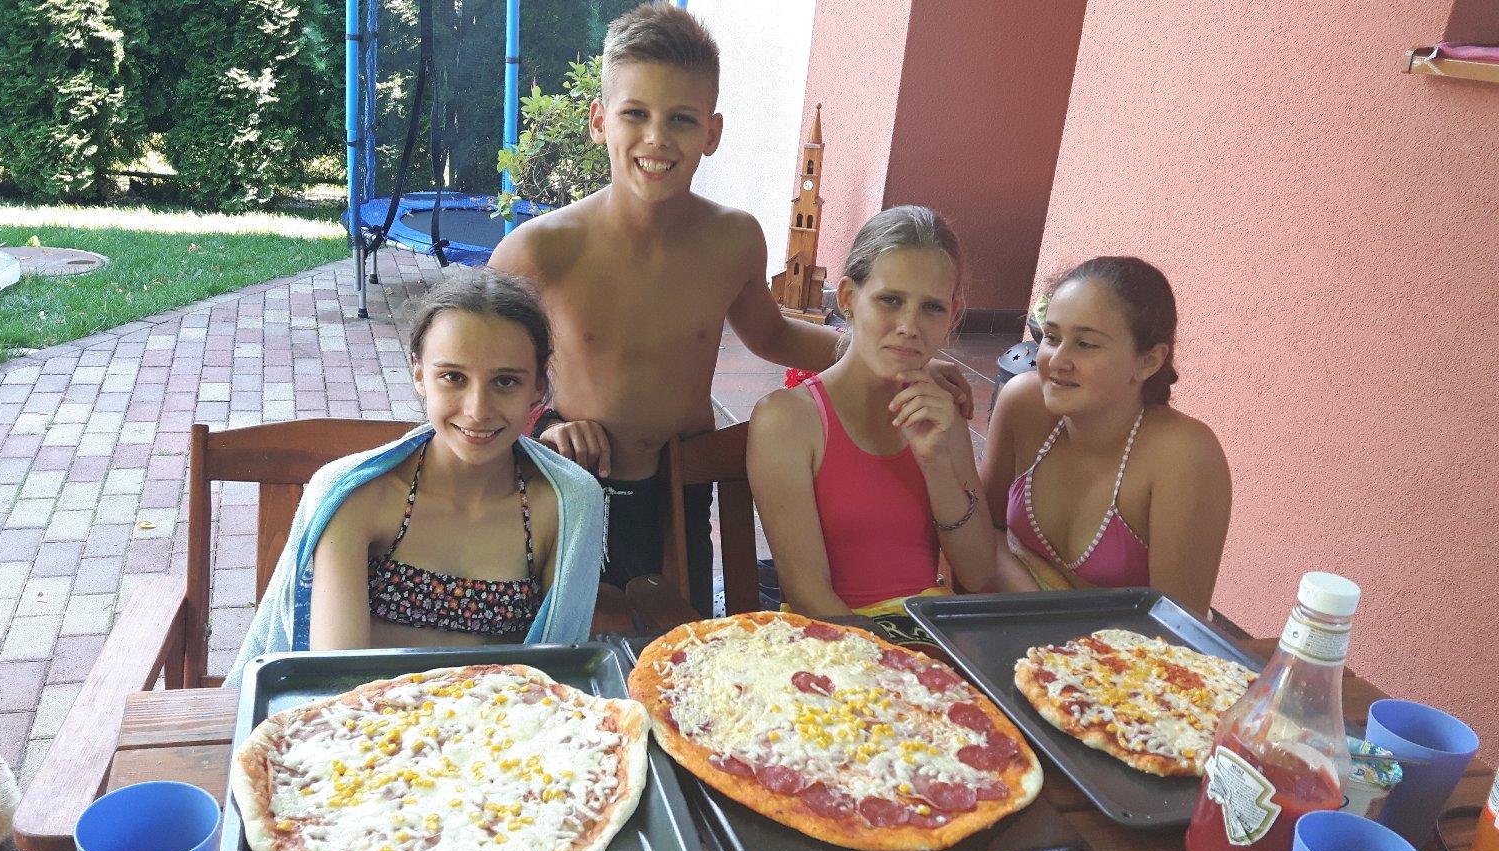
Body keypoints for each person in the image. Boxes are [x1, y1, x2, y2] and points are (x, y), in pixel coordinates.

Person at [490, 3, 970, 614]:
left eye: (681, 119)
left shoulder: (733, 240)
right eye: (635, 113)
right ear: (599, 121)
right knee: (565, 624)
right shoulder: (539, 251)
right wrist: (543, 429)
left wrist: (897, 358)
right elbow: (483, 370)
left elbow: (771, 336)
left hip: (680, 482)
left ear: (712, 134)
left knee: (679, 631)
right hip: (571, 475)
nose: (657, 138)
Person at [227, 269, 606, 682]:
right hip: (364, 716)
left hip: (508, 718)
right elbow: (336, 676)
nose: (477, 410)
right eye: (453, 377)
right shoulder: (356, 496)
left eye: (505, 381)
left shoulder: (567, 504)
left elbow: (556, 671)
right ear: (420, 375)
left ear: (537, 388)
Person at [746, 206, 998, 653]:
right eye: (890, 300)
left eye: (932, 308)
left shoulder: (940, 415)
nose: (909, 327)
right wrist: (904, 668)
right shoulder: (788, 421)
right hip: (838, 652)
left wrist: (937, 463)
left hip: (931, 640)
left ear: (953, 314)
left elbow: (978, 573)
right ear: (847, 297)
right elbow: (809, 596)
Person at [981, 256, 1232, 617]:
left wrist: (1052, 621)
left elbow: (1177, 625)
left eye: (1086, 344)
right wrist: (1038, 606)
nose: (1057, 360)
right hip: (1014, 627)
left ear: (1148, 361)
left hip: (1126, 650)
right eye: (1052, 337)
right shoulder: (1023, 404)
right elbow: (983, 528)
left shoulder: (1183, 456)